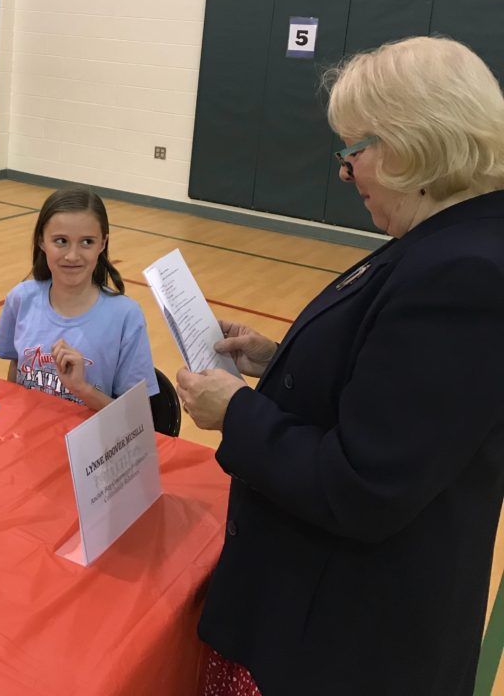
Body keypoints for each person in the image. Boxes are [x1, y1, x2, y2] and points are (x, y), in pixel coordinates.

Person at [177, 36, 504, 696]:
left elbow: (364, 485)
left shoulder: (462, 271)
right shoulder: (450, 240)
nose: (346, 172)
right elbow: (395, 390)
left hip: (346, 639)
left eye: (356, 150)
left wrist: (235, 411)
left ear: (412, 144)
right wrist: (279, 360)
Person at [0, 186, 158, 411]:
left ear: (103, 243)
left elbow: (135, 416)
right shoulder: (21, 298)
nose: (72, 255)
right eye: (61, 241)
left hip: (91, 442)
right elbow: (16, 368)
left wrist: (82, 388)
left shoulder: (126, 316)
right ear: (41, 241)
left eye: (87, 242)